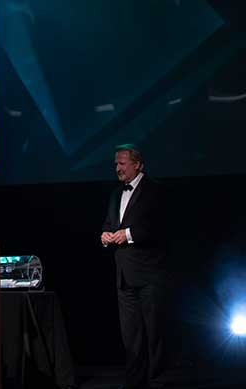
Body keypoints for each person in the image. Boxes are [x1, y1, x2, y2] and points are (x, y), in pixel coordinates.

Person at [100, 144, 167, 389]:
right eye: (115, 164)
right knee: (131, 334)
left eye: (122, 163)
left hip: (149, 274)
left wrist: (127, 234)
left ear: (137, 164)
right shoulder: (115, 194)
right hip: (124, 274)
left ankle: (157, 379)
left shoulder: (155, 190)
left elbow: (159, 226)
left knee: (154, 331)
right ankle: (134, 381)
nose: (117, 168)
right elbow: (110, 223)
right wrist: (105, 235)